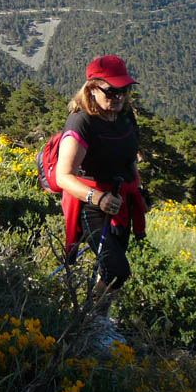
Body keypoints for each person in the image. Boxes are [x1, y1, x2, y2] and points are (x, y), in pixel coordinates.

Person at [54, 55, 146, 311]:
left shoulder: (125, 115)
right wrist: (99, 199)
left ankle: (96, 316)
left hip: (121, 201)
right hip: (91, 203)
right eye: (112, 91)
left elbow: (130, 158)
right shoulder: (81, 122)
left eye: (124, 90)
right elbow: (64, 176)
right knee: (117, 270)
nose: (119, 97)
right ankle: (90, 318)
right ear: (91, 89)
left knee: (108, 269)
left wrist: (136, 189)